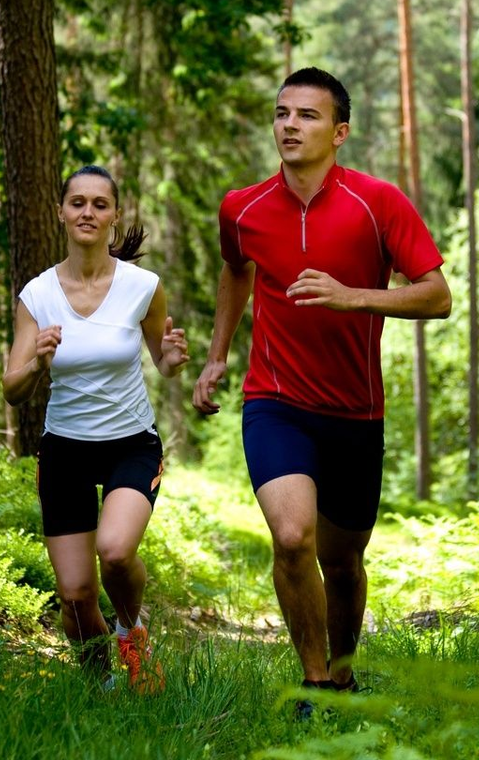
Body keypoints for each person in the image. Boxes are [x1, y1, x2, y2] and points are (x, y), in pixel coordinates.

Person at [192, 67, 451, 717]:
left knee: (341, 562)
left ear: (339, 132)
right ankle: (312, 686)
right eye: (282, 113)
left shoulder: (378, 202)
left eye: (307, 115)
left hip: (356, 411)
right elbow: (235, 268)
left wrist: (354, 297)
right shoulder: (242, 207)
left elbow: (437, 294)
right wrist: (217, 355)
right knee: (291, 536)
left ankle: (343, 672)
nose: (289, 125)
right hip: (275, 400)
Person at [3, 165, 189, 693]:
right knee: (76, 594)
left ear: (115, 216)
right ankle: (101, 690)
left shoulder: (143, 287)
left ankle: (132, 630)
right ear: (61, 213)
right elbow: (11, 387)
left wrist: (173, 359)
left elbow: (161, 357)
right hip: (65, 450)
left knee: (114, 550)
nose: (88, 212)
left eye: (99, 204)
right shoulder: (37, 295)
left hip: (131, 444)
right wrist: (37, 363)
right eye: (78, 203)